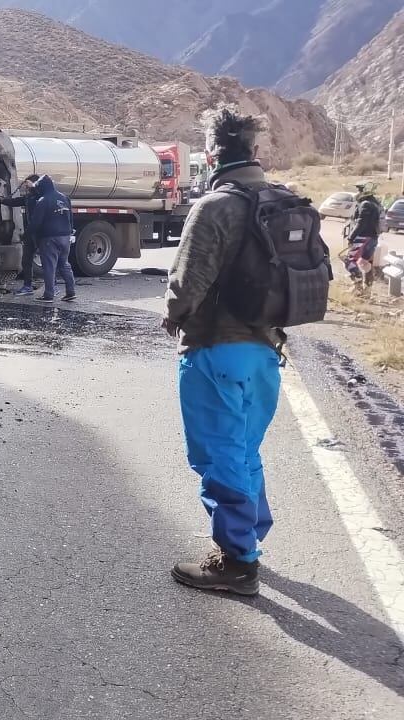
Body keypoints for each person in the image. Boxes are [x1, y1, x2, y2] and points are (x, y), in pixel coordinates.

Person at [163, 106, 284, 596]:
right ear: (254, 152)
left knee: (218, 455)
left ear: (211, 153)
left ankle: (236, 563)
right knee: (244, 449)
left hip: (217, 352)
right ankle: (249, 539)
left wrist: (173, 315)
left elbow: (185, 284)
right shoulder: (279, 202)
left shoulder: (214, 207)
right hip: (267, 352)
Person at [27, 175, 76, 302]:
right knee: (64, 264)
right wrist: (69, 232)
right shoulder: (65, 198)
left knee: (49, 266)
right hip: (65, 237)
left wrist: (27, 235)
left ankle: (48, 294)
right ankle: (71, 292)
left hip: (49, 238)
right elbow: (70, 218)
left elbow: (36, 223)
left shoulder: (43, 201)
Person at [0, 175, 41, 296]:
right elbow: (14, 202)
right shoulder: (29, 198)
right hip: (31, 234)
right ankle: (28, 285)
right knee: (26, 260)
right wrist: (1, 199)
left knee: (49, 261)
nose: (26, 187)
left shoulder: (42, 197)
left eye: (28, 184)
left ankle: (52, 287)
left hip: (41, 234)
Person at [344, 185, 381, 291]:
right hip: (373, 238)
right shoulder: (375, 204)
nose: (357, 193)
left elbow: (361, 222)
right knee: (365, 263)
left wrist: (351, 237)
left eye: (359, 191)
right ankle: (368, 289)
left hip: (363, 237)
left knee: (349, 261)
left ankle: (358, 287)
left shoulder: (365, 204)